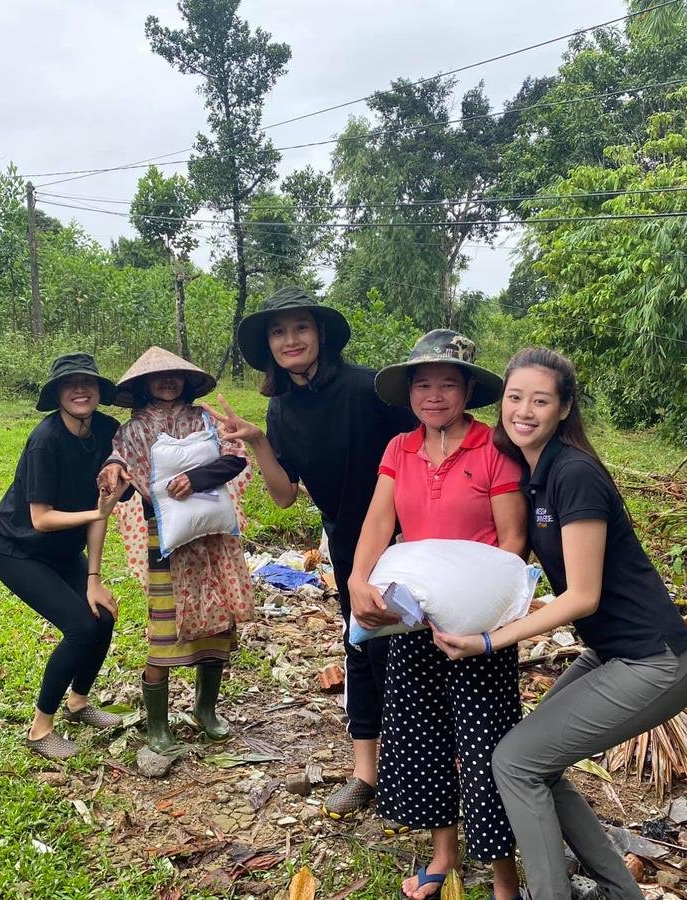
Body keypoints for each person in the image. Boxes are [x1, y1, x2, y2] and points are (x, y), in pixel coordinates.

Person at [432, 347, 687, 900]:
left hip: (654, 661)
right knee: (536, 764)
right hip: (610, 654)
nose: (524, 410)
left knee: (515, 761)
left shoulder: (574, 473)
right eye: (514, 397)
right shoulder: (532, 472)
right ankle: (619, 890)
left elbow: (582, 595)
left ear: (563, 408)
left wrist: (488, 640)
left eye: (540, 400)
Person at [203, 285, 415, 821]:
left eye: (300, 327)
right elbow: (283, 494)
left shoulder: (370, 388)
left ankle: (424, 767)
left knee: (416, 651)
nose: (290, 339)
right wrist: (256, 440)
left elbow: (419, 452)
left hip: (408, 538)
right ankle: (367, 773)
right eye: (278, 331)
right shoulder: (280, 410)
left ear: (321, 334)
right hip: (347, 542)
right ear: (269, 345)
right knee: (363, 646)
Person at [349, 329, 528, 900]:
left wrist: (474, 609)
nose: (433, 395)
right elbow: (379, 525)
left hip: (477, 626)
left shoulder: (494, 448)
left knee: (485, 748)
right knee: (423, 738)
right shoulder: (399, 448)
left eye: (446, 384)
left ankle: (505, 877)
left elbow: (512, 541)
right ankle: (443, 854)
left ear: (468, 389)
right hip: (412, 620)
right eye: (422, 384)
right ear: (409, 393)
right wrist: (356, 580)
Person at [97, 347, 255, 753]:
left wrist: (196, 478)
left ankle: (206, 711)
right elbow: (121, 463)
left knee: (217, 625)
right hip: (165, 539)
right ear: (143, 386)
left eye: (174, 376)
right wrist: (113, 468)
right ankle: (158, 725)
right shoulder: (131, 431)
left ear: (186, 381)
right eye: (158, 377)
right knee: (163, 629)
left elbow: (234, 460)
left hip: (212, 537)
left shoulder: (204, 418)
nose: (167, 383)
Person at [0, 353, 131, 760]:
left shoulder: (107, 431)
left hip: (65, 548)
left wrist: (94, 579)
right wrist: (100, 511)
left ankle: (78, 703)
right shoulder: (45, 440)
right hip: (16, 548)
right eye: (70, 383)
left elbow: (104, 505)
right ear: (58, 394)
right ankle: (40, 729)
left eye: (88, 382)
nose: (80, 389)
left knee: (103, 615)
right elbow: (42, 518)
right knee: (81, 626)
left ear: (99, 391)